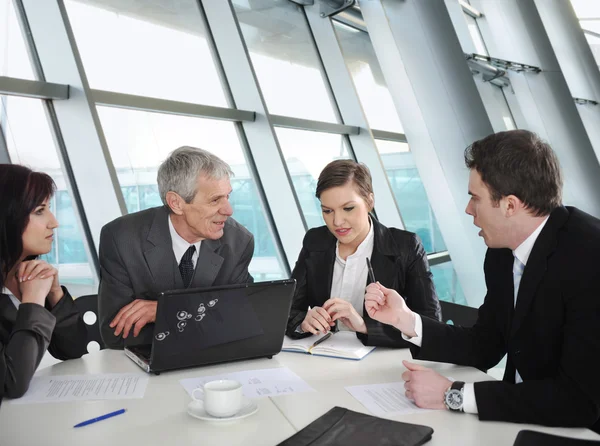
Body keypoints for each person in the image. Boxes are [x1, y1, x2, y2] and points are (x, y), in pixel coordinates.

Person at [365, 130, 600, 431]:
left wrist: (455, 395)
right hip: (522, 422)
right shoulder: (502, 253)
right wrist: (406, 319)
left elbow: (578, 401)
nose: (468, 209)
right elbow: (486, 345)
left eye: (475, 198)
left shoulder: (591, 259)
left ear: (510, 205)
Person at [98, 146, 254, 349]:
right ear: (176, 203)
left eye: (228, 196)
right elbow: (117, 334)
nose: (228, 210)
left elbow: (242, 321)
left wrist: (165, 311)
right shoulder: (121, 238)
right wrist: (205, 321)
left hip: (214, 365)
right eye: (215, 200)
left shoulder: (239, 242)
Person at [286, 159, 441, 346]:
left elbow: (430, 324)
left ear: (369, 201)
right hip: (322, 358)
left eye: (348, 208)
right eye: (327, 211)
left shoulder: (406, 246)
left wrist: (364, 325)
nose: (337, 221)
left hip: (382, 363)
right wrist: (303, 321)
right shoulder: (315, 241)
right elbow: (287, 310)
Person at [0, 165, 87, 400]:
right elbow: (11, 383)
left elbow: (73, 350)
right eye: (40, 210)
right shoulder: (29, 286)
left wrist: (55, 294)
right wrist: (33, 301)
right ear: (7, 216)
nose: (54, 222)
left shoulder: (27, 273)